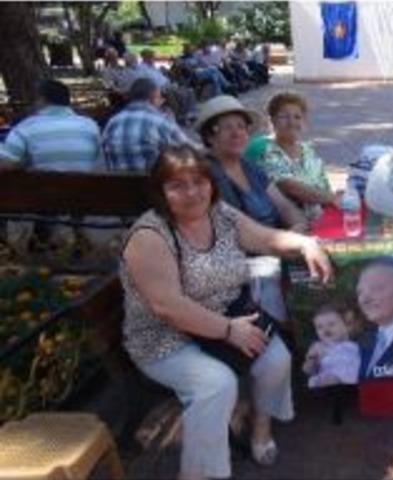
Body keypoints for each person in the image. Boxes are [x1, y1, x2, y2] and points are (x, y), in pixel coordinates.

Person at [120, 145, 332, 479]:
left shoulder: (220, 214)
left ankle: (261, 426)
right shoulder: (149, 235)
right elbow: (167, 307)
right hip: (165, 338)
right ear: (160, 192)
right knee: (216, 385)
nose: (191, 192)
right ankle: (202, 473)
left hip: (224, 319)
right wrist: (229, 330)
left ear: (211, 182)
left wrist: (305, 243)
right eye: (177, 185)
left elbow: (265, 238)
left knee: (276, 358)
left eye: (198, 181)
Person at [194, 95, 307, 231]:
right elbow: (233, 230)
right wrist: (284, 241)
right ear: (209, 137)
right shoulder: (206, 174)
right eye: (227, 127)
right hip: (251, 248)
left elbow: (284, 205)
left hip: (279, 241)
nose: (236, 133)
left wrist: (298, 225)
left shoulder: (249, 167)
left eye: (241, 126)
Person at [251, 92, 337, 223]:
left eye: (297, 117)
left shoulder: (307, 150)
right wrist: (333, 198)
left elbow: (323, 185)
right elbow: (290, 187)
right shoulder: (265, 149)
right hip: (286, 224)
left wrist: (333, 197)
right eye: (284, 117)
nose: (292, 122)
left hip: (318, 217)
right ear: (272, 120)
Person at [0, 79, 102, 172]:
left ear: (42, 99)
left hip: (40, 190)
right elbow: (101, 162)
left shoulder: (25, 128)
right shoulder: (90, 126)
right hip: (87, 190)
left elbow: (4, 164)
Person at [103, 78, 196, 171]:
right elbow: (191, 150)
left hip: (118, 184)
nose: (161, 102)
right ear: (153, 97)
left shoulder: (112, 123)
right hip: (152, 183)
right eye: (160, 98)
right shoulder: (160, 121)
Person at [303, 305, 360, 388]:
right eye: (319, 327)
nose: (326, 329)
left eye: (331, 324)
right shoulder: (318, 346)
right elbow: (307, 370)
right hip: (328, 380)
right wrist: (312, 358)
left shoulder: (353, 345)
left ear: (345, 326)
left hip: (352, 379)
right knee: (329, 380)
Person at [138, 49, 197, 126]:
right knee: (175, 94)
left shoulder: (152, 67)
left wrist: (168, 77)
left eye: (152, 57)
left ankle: (191, 114)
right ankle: (181, 117)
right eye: (151, 57)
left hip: (168, 85)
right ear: (145, 57)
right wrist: (161, 87)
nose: (153, 58)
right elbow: (147, 81)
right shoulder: (142, 68)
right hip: (158, 89)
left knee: (189, 91)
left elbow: (161, 77)